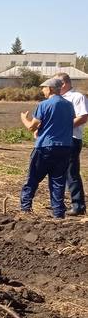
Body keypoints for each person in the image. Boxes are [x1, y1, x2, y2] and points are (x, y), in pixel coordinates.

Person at [19, 77, 75, 218]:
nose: (42, 90)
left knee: (32, 178)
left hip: (45, 146)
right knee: (58, 181)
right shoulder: (69, 105)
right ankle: (58, 213)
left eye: (43, 87)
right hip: (65, 147)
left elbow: (33, 127)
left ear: (50, 88)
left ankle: (25, 208)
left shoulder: (44, 104)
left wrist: (24, 119)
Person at [57, 72, 88, 215]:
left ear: (64, 83)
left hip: (71, 139)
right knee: (58, 172)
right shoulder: (58, 98)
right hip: (59, 139)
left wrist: (64, 126)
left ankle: (78, 206)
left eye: (56, 84)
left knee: (71, 172)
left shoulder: (77, 97)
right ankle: (58, 203)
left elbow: (83, 117)